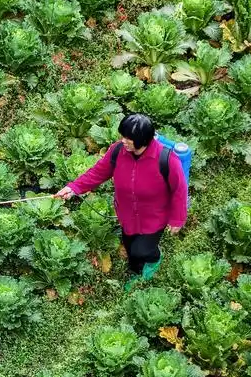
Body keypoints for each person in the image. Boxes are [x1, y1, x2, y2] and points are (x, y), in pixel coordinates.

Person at [54, 113, 188, 284]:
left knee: (142, 251)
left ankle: (154, 258)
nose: (123, 141)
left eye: (128, 138)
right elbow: (97, 173)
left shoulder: (166, 159)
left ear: (142, 140)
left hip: (154, 218)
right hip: (126, 214)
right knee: (131, 247)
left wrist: (177, 219)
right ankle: (136, 270)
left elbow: (179, 190)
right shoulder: (118, 151)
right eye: (123, 136)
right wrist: (73, 188)